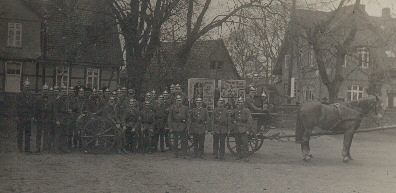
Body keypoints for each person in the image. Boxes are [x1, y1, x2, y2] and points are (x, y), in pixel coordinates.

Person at [15, 79, 35, 153]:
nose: (27, 87)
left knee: (28, 133)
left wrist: (32, 116)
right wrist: (16, 116)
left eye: (28, 86)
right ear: (23, 86)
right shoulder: (19, 94)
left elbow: (33, 106)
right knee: (20, 133)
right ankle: (20, 148)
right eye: (26, 85)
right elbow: (16, 106)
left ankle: (27, 149)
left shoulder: (31, 95)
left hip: (28, 117)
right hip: (21, 116)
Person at [232, 97, 253, 162]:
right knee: (237, 143)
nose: (240, 104)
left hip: (244, 129)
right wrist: (233, 121)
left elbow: (250, 120)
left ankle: (246, 156)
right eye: (239, 102)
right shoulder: (235, 110)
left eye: (241, 102)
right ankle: (239, 155)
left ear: (243, 103)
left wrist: (247, 130)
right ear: (237, 103)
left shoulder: (246, 110)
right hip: (237, 128)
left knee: (245, 143)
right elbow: (230, 116)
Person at [35, 84, 53, 153]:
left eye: (46, 90)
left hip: (47, 119)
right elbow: (36, 109)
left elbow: (52, 110)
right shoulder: (38, 99)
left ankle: (45, 148)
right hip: (40, 118)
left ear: (48, 91)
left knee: (46, 134)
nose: (45, 91)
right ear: (42, 90)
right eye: (44, 90)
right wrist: (36, 117)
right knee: (39, 133)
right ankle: (38, 148)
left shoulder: (50, 99)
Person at [53, 85, 71, 153]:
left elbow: (67, 109)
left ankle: (63, 148)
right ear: (60, 92)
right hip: (60, 119)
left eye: (65, 91)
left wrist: (69, 111)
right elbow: (55, 111)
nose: (64, 93)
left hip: (66, 119)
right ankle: (56, 149)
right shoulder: (58, 99)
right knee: (58, 134)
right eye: (63, 91)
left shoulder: (66, 99)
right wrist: (57, 120)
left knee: (65, 134)